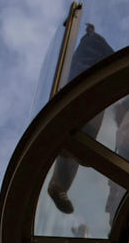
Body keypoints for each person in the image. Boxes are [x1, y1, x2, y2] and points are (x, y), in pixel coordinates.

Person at [45, 23, 114, 213]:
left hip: (83, 88)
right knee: (80, 137)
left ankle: (59, 185)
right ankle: (61, 181)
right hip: (87, 86)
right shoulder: (93, 46)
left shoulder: (84, 51)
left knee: (77, 139)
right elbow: (109, 57)